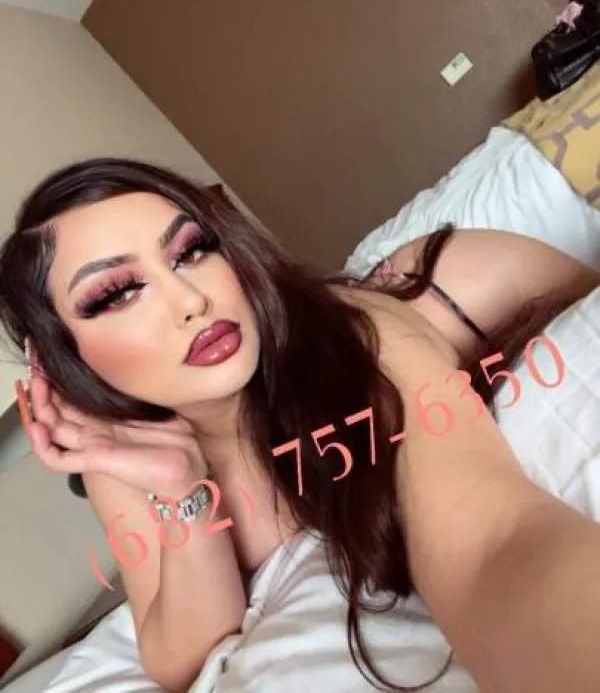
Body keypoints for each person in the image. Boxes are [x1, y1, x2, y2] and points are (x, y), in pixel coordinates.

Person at [0, 156, 598, 693]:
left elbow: (489, 545)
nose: (190, 300)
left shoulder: (365, 337)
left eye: (192, 250)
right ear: (68, 358)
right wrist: (184, 489)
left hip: (463, 281)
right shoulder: (128, 456)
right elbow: (181, 661)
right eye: (118, 294)